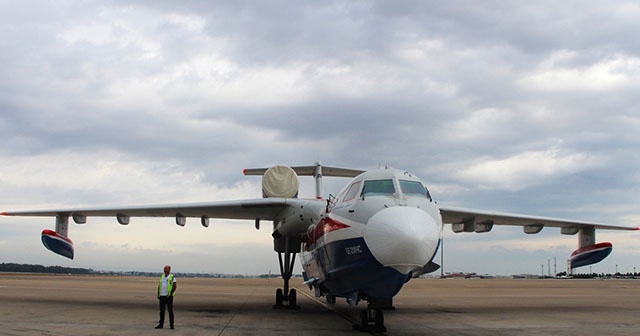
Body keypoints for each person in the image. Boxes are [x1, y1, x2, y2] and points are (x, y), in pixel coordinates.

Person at [156, 265, 177, 329]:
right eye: (164, 268)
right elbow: (159, 285)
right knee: (161, 311)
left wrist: (170, 294)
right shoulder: (162, 276)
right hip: (162, 296)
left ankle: (171, 325)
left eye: (166, 268)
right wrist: (158, 294)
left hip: (168, 296)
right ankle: (161, 324)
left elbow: (174, 286)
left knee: (170, 311)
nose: (164, 270)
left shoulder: (172, 277)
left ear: (169, 269)